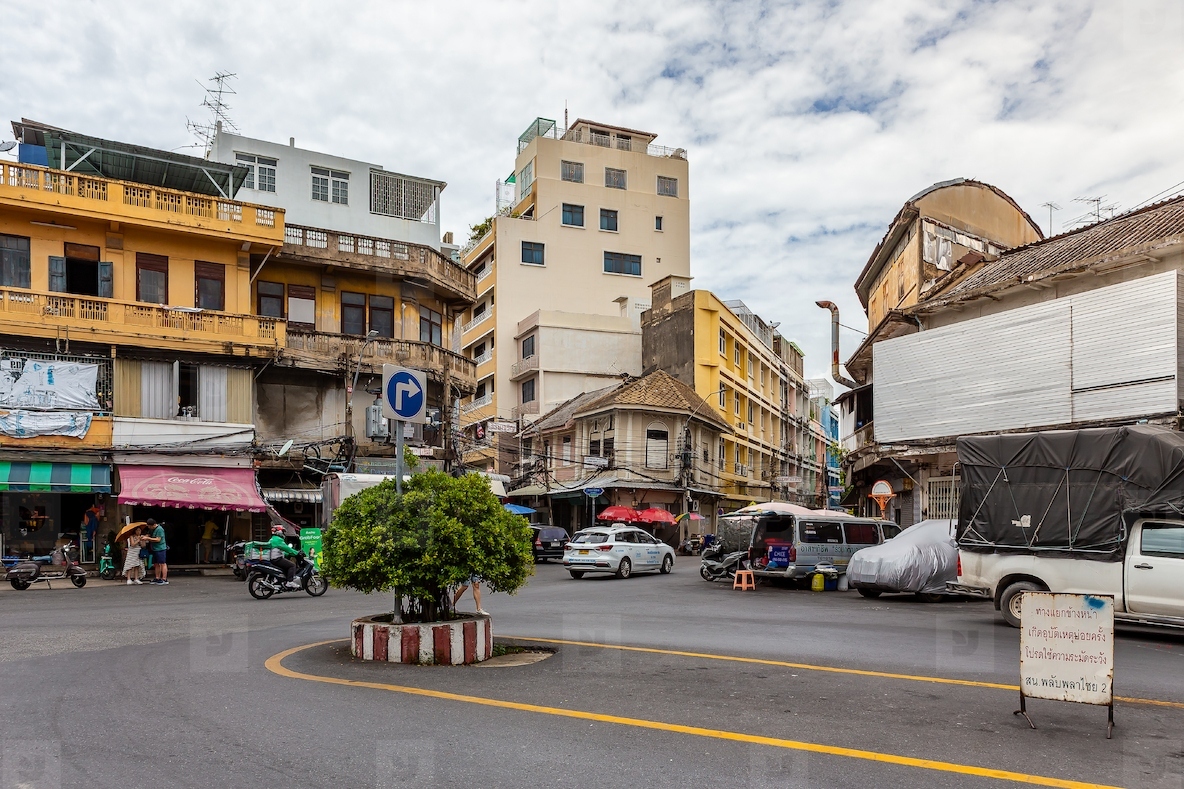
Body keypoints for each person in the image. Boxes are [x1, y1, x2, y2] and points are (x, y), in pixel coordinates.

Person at [265, 524, 302, 588]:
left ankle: (282, 580)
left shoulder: (272, 539)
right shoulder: (278, 540)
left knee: (286, 565)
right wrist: (297, 553)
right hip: (277, 559)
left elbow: (280, 551)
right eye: (283, 531)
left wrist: (287, 554)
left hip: (273, 559)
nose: (284, 533)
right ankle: (289, 582)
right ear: (279, 532)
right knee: (292, 565)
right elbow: (287, 549)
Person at [143, 518, 169, 585]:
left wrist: (148, 538)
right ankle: (157, 578)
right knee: (156, 564)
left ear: (153, 525)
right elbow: (149, 534)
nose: (149, 527)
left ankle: (164, 579)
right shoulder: (152, 529)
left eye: (149, 526)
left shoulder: (159, 529)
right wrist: (145, 536)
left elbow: (158, 539)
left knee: (162, 563)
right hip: (154, 548)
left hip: (160, 548)